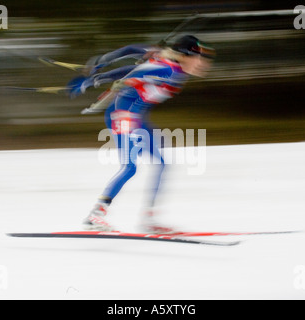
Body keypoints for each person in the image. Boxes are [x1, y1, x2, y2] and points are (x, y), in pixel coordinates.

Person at [77, 35, 215, 233]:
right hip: (122, 114)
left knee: (162, 163)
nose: (201, 63)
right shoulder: (168, 69)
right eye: (197, 58)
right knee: (131, 167)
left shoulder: (171, 67)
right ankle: (94, 217)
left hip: (137, 118)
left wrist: (105, 60)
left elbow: (131, 49)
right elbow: (134, 71)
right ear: (184, 56)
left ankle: (149, 221)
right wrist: (98, 77)